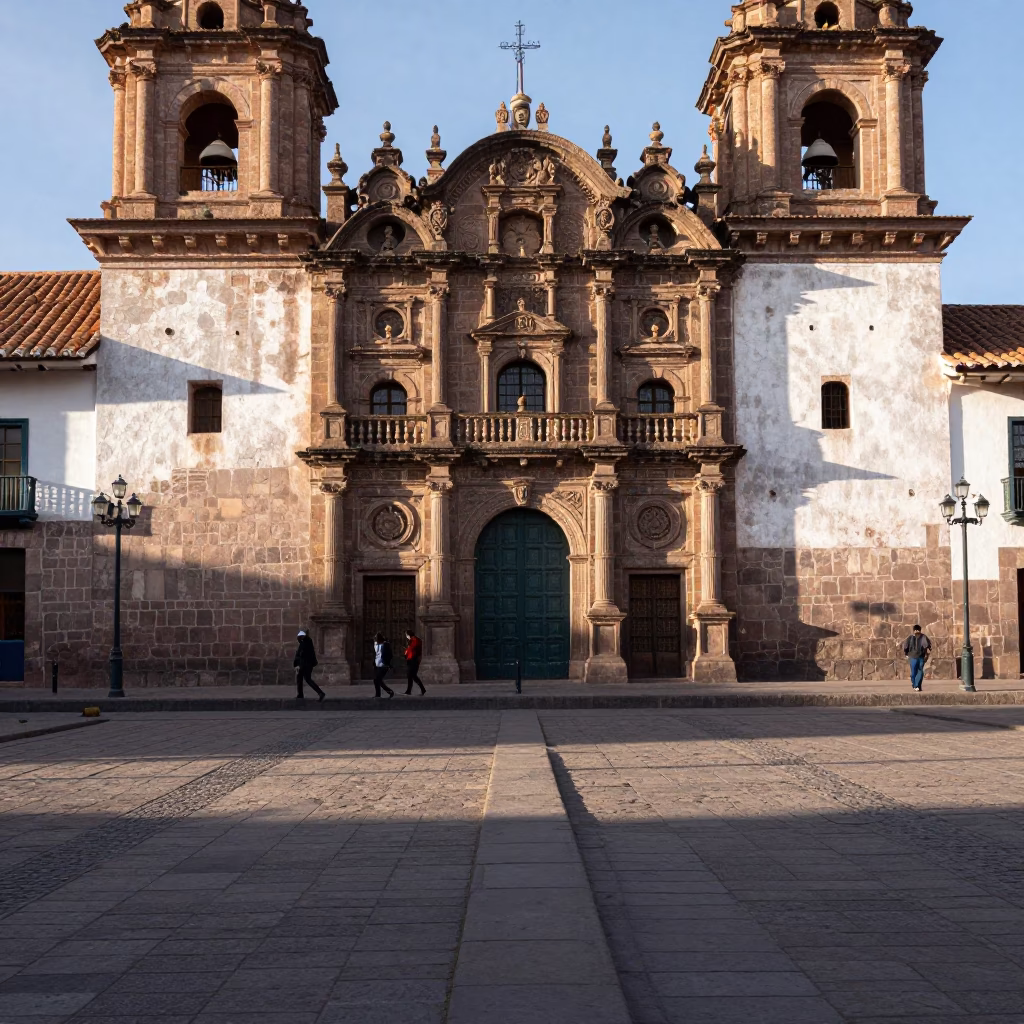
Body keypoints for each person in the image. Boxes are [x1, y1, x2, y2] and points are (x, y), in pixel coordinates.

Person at [294, 630, 325, 701]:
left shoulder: (304, 644)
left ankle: (320, 693)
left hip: (304, 665)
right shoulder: (307, 642)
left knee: (306, 679)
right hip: (307, 664)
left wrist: (297, 665)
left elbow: (300, 655)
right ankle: (300, 694)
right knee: (300, 679)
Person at [902, 624, 931, 692]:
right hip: (918, 657)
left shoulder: (912, 637)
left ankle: (916, 685)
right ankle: (916, 685)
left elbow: (906, 647)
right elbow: (927, 646)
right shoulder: (922, 637)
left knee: (916, 672)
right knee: (917, 672)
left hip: (915, 657)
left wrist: (906, 653)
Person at [372, 632, 395, 699]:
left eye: (376, 639)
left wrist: (387, 663)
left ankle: (379, 694)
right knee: (377, 680)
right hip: (377, 664)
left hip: (383, 665)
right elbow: (376, 654)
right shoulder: (376, 644)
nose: (375, 641)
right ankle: (387, 692)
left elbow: (389, 655)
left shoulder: (386, 645)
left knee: (377, 679)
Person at [403, 630, 426, 696]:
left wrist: (407, 652)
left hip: (413, 659)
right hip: (412, 659)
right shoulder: (414, 640)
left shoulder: (414, 640)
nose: (406, 637)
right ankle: (409, 691)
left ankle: (422, 689)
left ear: (408, 635)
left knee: (412, 675)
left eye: (406, 635)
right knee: (410, 676)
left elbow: (412, 650)